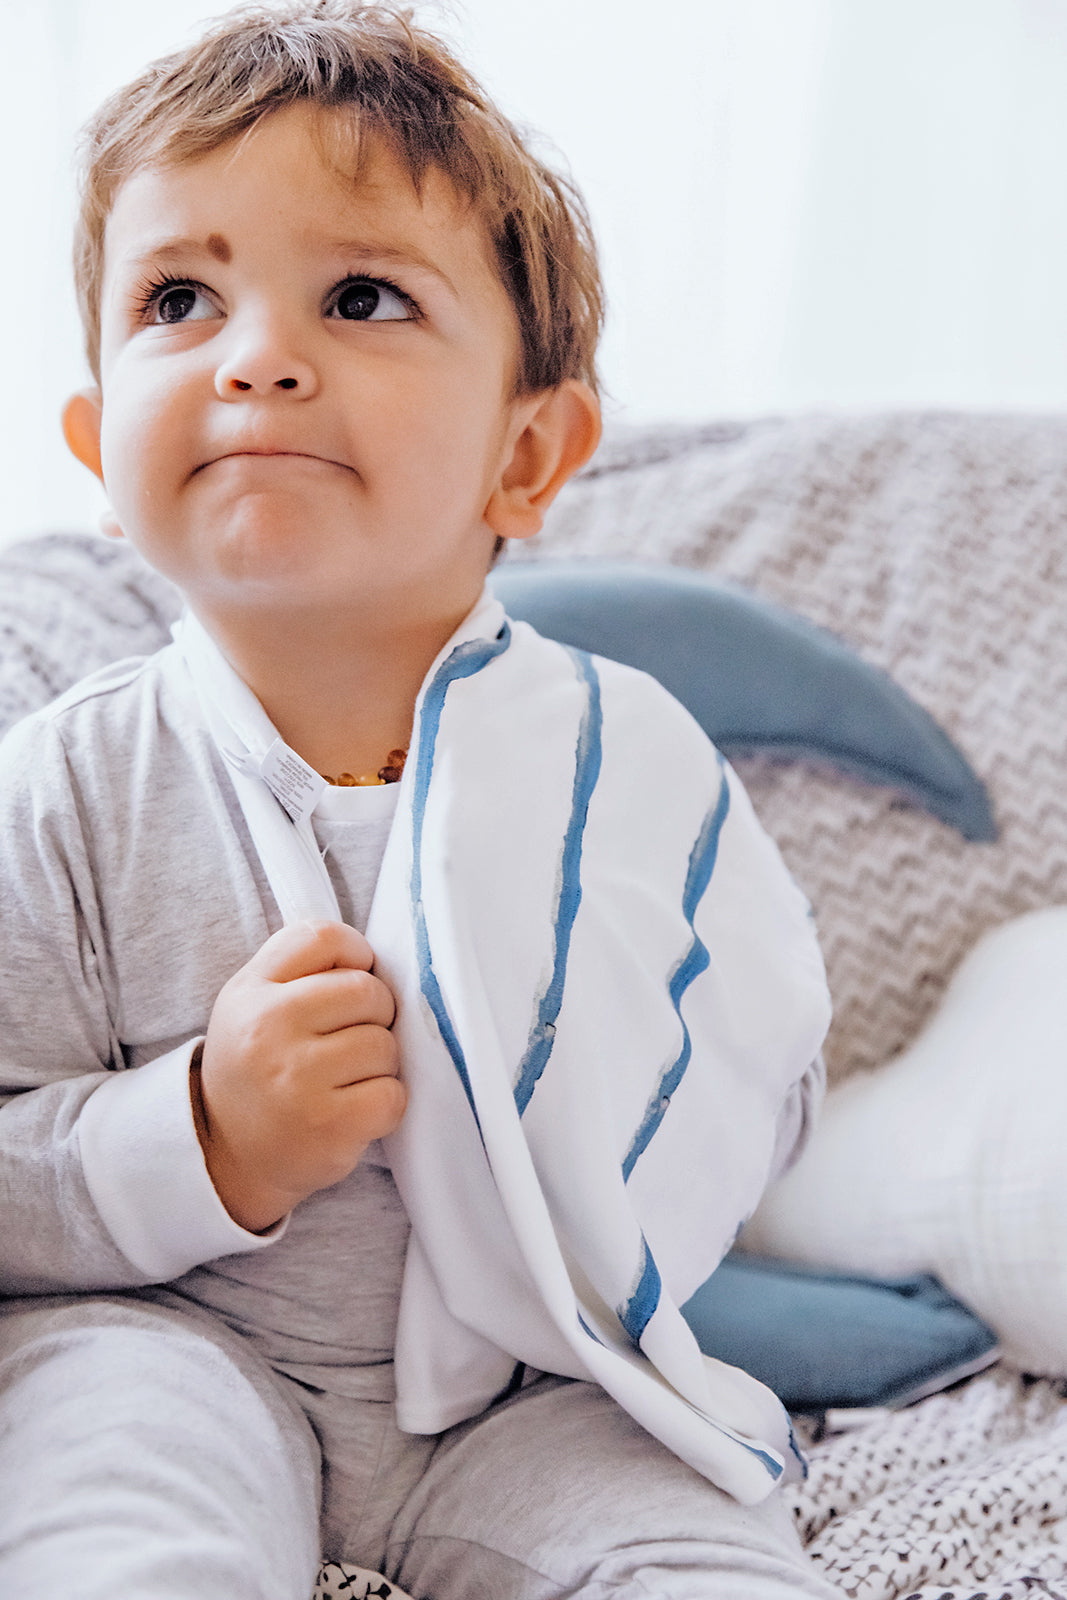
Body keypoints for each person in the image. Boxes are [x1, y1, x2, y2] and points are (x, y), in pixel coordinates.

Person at [0, 3, 839, 1595]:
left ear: (527, 455)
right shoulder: (61, 787)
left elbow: (758, 1060)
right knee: (105, 1510)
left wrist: (602, 1085)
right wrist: (201, 1135)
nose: (257, 353)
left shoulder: (629, 763)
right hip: (172, 1345)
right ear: (101, 453)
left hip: (542, 1382)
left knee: (698, 1554)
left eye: (362, 295)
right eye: (180, 297)